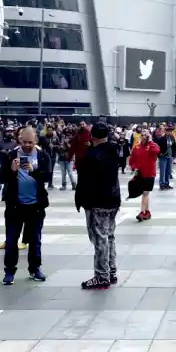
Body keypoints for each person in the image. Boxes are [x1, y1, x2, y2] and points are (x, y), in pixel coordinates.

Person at [0, 127, 51, 285]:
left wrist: (33, 170)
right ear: (20, 140)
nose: (28, 145)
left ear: (35, 141)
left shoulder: (42, 156)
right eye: (25, 142)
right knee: (11, 239)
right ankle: (9, 271)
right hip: (15, 206)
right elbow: (2, 178)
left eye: (31, 142)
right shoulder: (12, 155)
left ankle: (35, 268)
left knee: (35, 239)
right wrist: (12, 170)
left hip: (35, 206)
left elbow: (47, 176)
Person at [74, 122, 121, 289]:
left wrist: (80, 200)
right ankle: (111, 271)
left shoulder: (91, 155)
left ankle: (102, 275)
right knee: (109, 236)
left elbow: (84, 179)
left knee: (100, 238)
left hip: (96, 201)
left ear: (92, 136)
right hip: (113, 199)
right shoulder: (114, 150)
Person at [129, 129, 159, 221]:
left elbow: (156, 151)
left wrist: (151, 141)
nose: (143, 137)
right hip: (140, 173)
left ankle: (142, 212)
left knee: (145, 193)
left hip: (149, 173)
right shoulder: (137, 147)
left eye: (145, 135)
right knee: (145, 193)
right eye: (142, 135)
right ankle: (147, 211)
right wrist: (134, 167)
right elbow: (132, 159)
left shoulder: (153, 146)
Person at [153, 124, 174, 190]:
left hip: (169, 157)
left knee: (168, 171)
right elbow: (157, 147)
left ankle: (166, 184)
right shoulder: (162, 138)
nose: (170, 132)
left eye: (171, 131)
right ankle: (162, 184)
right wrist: (159, 154)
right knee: (162, 171)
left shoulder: (172, 138)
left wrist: (174, 155)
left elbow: (174, 147)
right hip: (163, 157)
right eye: (168, 131)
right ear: (165, 131)